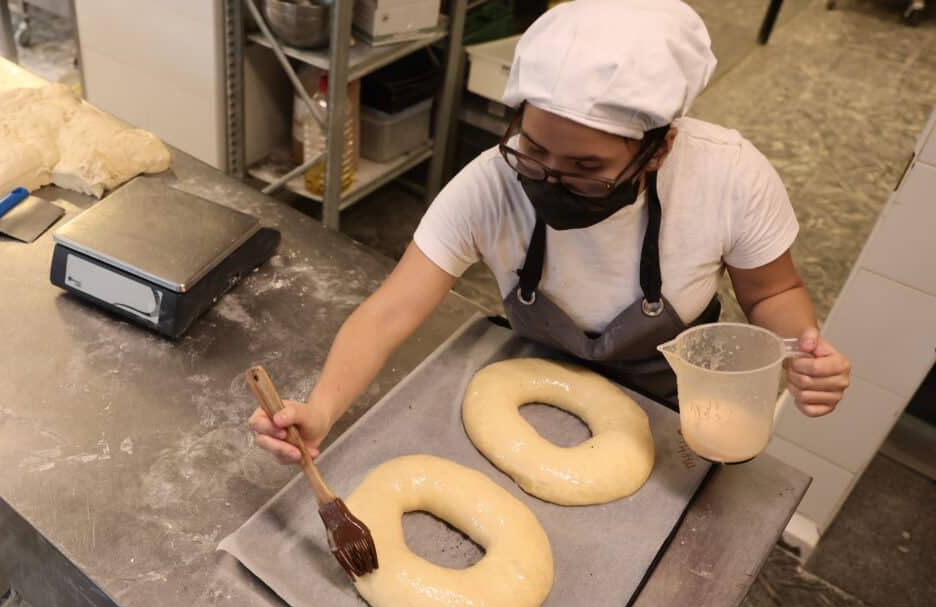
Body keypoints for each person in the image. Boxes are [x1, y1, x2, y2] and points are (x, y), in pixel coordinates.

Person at [250, 0, 851, 464]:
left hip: (670, 407)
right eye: (533, 151)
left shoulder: (729, 177)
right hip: (532, 383)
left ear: (661, 146)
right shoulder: (490, 184)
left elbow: (770, 293)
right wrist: (323, 406)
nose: (552, 179)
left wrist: (804, 352)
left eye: (587, 169)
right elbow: (391, 310)